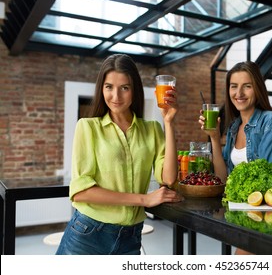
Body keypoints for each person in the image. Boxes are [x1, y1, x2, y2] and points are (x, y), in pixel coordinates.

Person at [56, 54, 183, 255]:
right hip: (88, 235)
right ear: (102, 89)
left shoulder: (152, 129)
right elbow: (81, 191)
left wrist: (168, 122)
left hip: (130, 238)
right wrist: (144, 199)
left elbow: (167, 177)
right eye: (109, 87)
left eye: (124, 88)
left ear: (134, 91)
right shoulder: (88, 127)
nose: (116, 96)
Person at [199, 61, 272, 255]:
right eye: (234, 86)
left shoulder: (271, 123)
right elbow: (223, 179)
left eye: (247, 86)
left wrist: (236, 192)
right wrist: (213, 136)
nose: (239, 93)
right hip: (248, 218)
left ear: (258, 89)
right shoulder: (235, 127)